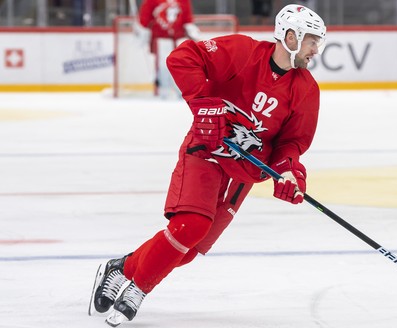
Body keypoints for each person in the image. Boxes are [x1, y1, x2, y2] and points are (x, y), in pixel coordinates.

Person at [88, 4, 327, 327]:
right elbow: (182, 58)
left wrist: (287, 171)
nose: (316, 50)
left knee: (187, 249)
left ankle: (121, 267)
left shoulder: (306, 88)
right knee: (190, 226)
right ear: (290, 36)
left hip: (243, 174)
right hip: (208, 152)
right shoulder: (243, 51)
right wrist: (205, 106)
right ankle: (138, 289)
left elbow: (292, 142)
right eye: (312, 41)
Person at [134, 0, 201, 97]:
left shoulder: (184, 1)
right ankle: (164, 89)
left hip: (179, 39)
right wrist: (142, 32)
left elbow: (187, 19)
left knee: (181, 65)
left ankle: (181, 89)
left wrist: (193, 33)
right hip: (160, 39)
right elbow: (145, 19)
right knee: (163, 64)